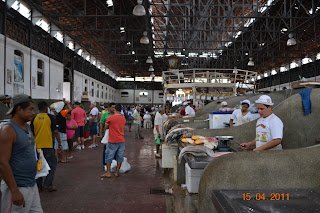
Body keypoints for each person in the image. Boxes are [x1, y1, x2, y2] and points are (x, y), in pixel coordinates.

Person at [0, 94, 43, 212]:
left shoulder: (26, 127)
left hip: (31, 184)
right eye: (30, 109)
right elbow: (3, 162)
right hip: (17, 187)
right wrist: (14, 191)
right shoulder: (8, 130)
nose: (33, 112)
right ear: (19, 109)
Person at [31, 101, 60, 192]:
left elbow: (32, 133)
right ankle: (48, 184)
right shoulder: (50, 117)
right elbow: (55, 131)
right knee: (52, 164)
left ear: (38, 108)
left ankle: (39, 186)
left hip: (37, 146)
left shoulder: (34, 118)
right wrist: (59, 143)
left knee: (39, 166)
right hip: (48, 145)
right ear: (46, 108)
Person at [100, 104, 126, 178]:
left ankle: (108, 172)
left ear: (115, 110)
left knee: (109, 156)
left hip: (112, 140)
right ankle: (117, 172)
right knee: (120, 156)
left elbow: (106, 127)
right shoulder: (123, 118)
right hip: (121, 140)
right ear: (121, 110)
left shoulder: (110, 118)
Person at [100, 103, 114, 169]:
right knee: (106, 149)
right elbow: (101, 124)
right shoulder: (105, 115)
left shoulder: (116, 114)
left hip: (115, 135)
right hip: (107, 135)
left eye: (115, 107)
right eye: (112, 107)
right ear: (109, 107)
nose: (114, 109)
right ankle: (104, 163)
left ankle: (113, 162)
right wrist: (101, 134)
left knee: (114, 149)